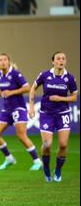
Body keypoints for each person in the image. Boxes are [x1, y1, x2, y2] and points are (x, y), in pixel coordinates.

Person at [29, 52, 78, 182]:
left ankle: (57, 170)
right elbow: (33, 88)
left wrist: (60, 98)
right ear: (53, 62)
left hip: (63, 114)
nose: (61, 60)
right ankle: (46, 167)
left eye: (63, 58)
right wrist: (31, 106)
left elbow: (74, 97)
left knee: (63, 145)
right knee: (47, 145)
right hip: (47, 114)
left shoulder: (70, 78)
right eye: (58, 58)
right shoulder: (45, 75)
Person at [0, 53, 42, 171]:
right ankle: (9, 158)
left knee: (21, 135)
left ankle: (37, 161)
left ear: (9, 61)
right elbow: (2, 87)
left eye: (5, 60)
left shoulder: (15, 73)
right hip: (6, 109)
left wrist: (11, 92)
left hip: (18, 108)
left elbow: (28, 88)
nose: (2, 62)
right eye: (0, 60)